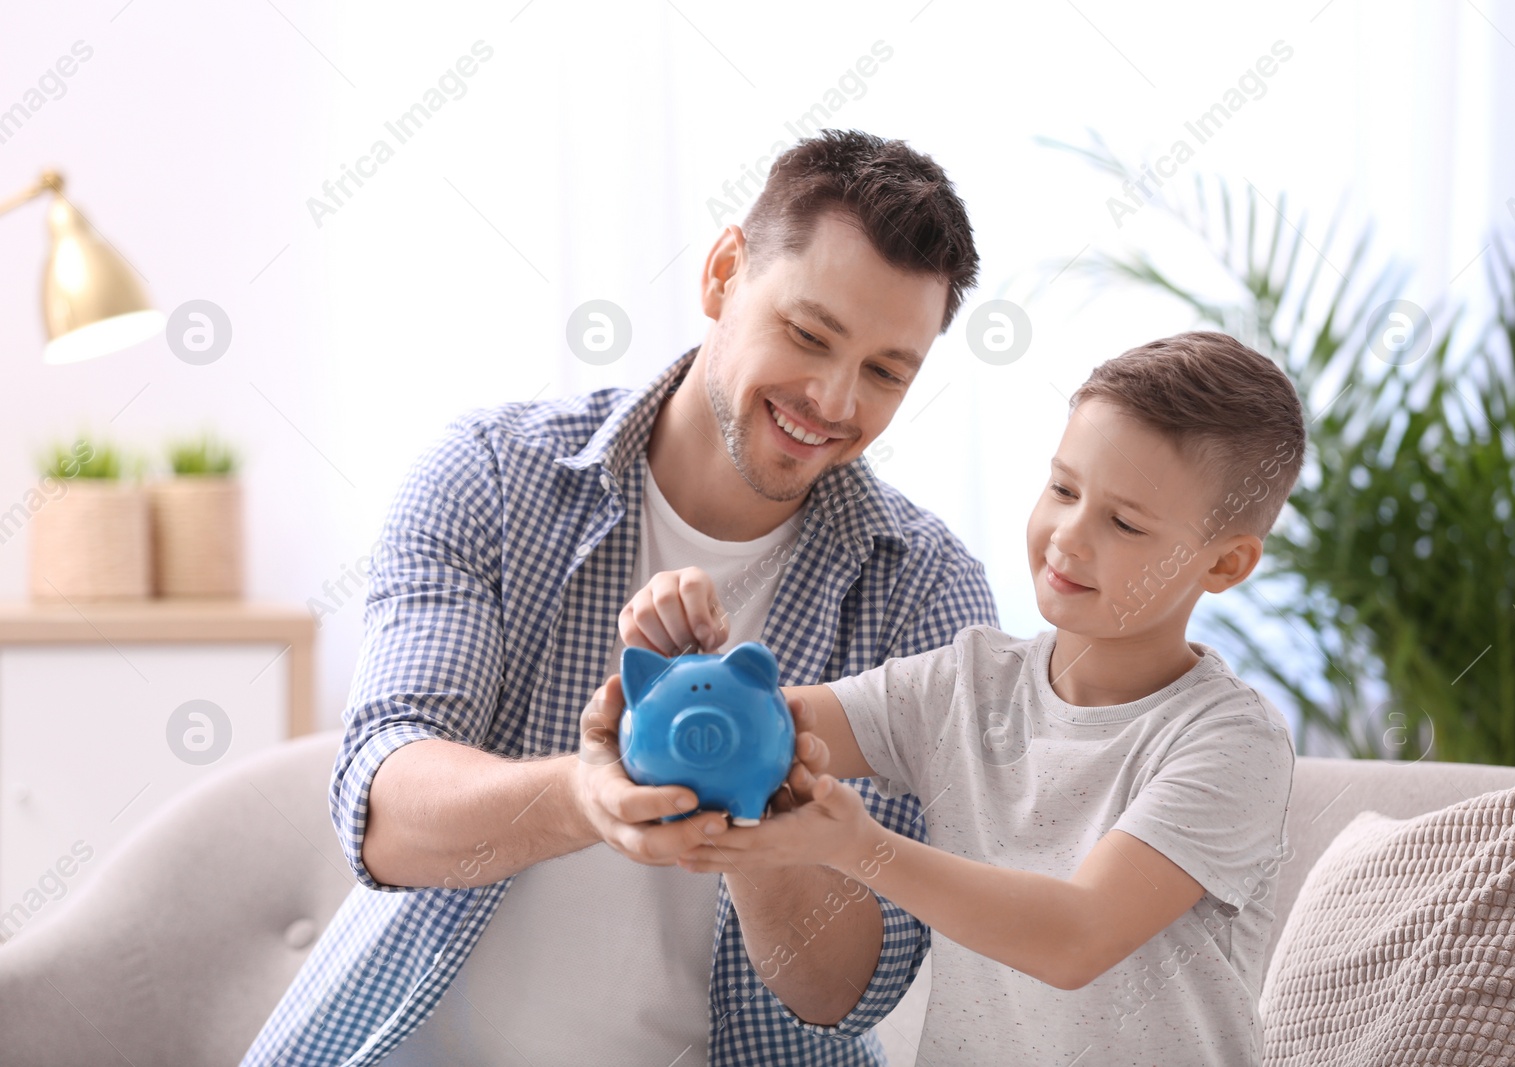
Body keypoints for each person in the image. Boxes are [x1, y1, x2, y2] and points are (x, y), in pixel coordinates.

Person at [241, 129, 999, 1067]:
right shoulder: (492, 478)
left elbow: (848, 992)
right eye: (809, 335)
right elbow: (384, 806)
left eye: (887, 371)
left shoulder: (923, 591)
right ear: (724, 274)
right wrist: (583, 797)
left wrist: (766, 824)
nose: (834, 401)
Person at [611, 331, 1306, 1064]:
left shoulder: (1231, 742)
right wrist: (685, 662)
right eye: (1064, 488)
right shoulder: (966, 682)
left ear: (1226, 561)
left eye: (1124, 522)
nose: (1067, 535)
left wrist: (860, 847)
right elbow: (769, 723)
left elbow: (1076, 937)